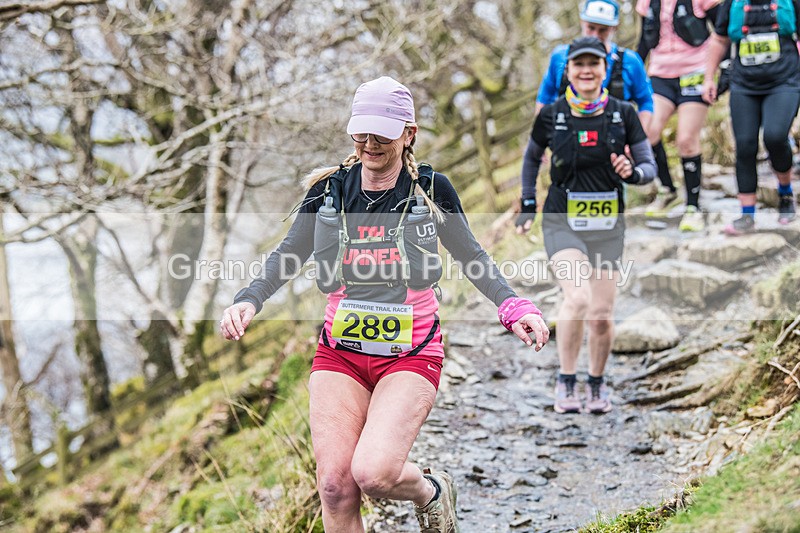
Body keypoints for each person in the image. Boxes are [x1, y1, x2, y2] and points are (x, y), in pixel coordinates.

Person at [219, 76, 550, 532]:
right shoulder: (329, 191)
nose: (370, 143)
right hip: (341, 354)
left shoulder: (431, 188)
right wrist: (248, 300)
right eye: (362, 132)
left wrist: (514, 307)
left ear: (408, 133)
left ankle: (430, 490)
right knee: (336, 487)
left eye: (382, 133)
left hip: (410, 355)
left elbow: (471, 255)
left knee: (374, 474)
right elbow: (288, 253)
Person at [518, 37, 656, 414]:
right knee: (577, 298)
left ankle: (595, 383)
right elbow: (531, 160)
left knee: (601, 314)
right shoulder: (552, 114)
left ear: (604, 69)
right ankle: (566, 380)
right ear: (569, 70)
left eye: (594, 63)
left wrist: (635, 171)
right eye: (579, 64)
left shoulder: (623, 113)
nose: (586, 70)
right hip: (562, 219)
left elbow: (648, 164)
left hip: (609, 224)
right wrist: (527, 204)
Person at [518, 0, 671, 231]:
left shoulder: (630, 62)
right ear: (582, 22)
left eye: (603, 30)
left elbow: (645, 100)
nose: (596, 34)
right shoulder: (560, 57)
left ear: (614, 29)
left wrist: (637, 136)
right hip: (568, 146)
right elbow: (545, 95)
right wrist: (542, 138)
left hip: (613, 146)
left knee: (609, 196)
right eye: (591, 27)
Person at [703, 0, 800, 233]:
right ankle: (747, 215)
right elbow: (719, 39)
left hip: (784, 80)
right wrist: (709, 78)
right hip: (744, 84)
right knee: (745, 145)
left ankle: (785, 194)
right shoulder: (732, 4)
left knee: (775, 137)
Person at [636, 0, 722, 231]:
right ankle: (668, 189)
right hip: (660, 75)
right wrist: (631, 73)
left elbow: (721, 32)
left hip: (695, 74)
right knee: (647, 132)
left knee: (686, 139)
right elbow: (644, 40)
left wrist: (718, 74)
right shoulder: (647, 3)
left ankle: (693, 206)